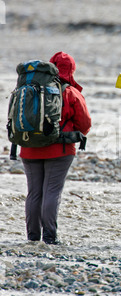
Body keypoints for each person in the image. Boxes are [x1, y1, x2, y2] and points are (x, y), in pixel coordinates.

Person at [20, 52, 92, 244]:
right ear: (72, 69)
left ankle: (32, 239)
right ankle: (50, 238)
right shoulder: (71, 92)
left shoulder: (30, 88)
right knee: (52, 192)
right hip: (60, 150)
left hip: (28, 147)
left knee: (34, 192)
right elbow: (85, 125)